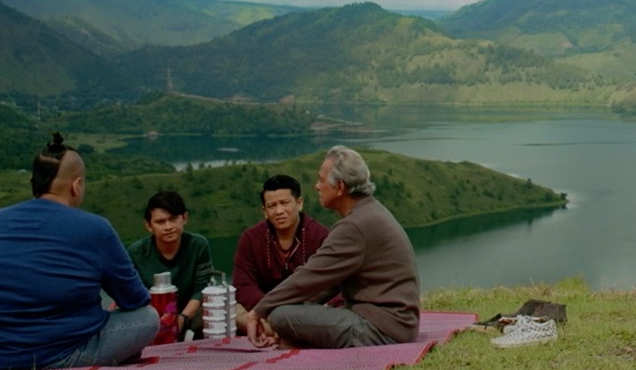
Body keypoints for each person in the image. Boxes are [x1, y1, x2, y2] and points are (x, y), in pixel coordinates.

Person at [0, 134, 158, 370]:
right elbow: (135, 300)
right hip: (54, 357)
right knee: (148, 318)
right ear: (76, 186)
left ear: (34, 182)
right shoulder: (95, 228)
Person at [246, 146, 420, 349]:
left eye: (321, 179)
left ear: (340, 187)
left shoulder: (354, 226)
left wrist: (259, 311)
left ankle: (292, 341)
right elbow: (329, 282)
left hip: (381, 329)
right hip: (396, 325)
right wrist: (292, 303)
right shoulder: (369, 212)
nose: (317, 186)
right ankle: (292, 340)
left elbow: (310, 276)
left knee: (279, 315)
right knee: (286, 309)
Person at [232, 173, 334, 334]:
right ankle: (285, 332)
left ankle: (280, 332)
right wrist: (270, 308)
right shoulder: (251, 238)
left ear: (299, 203)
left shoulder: (321, 236)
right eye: (272, 206)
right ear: (265, 211)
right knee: (232, 312)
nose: (279, 211)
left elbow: (335, 284)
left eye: (285, 203)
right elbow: (243, 285)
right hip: (263, 312)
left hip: (308, 312)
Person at [127, 190, 215, 341]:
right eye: (160, 222)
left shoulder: (198, 245)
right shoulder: (137, 252)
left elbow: (201, 289)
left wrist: (181, 318)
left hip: (190, 314)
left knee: (214, 312)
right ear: (149, 225)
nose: (168, 226)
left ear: (184, 218)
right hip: (151, 318)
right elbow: (133, 293)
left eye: (173, 219)